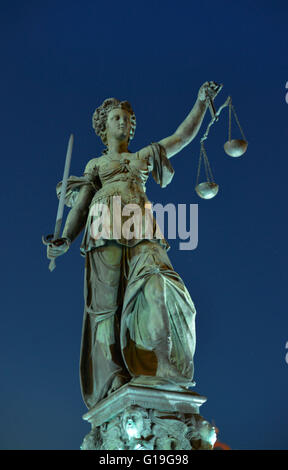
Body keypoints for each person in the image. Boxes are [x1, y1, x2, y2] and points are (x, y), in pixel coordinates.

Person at [47, 82, 221, 409]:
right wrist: (65, 240)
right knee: (106, 307)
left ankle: (161, 361)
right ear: (103, 127)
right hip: (104, 227)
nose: (123, 122)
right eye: (116, 118)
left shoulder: (143, 156)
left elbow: (181, 137)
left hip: (140, 226)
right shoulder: (95, 167)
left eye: (127, 118)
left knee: (159, 283)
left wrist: (201, 103)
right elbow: (81, 206)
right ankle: (113, 375)